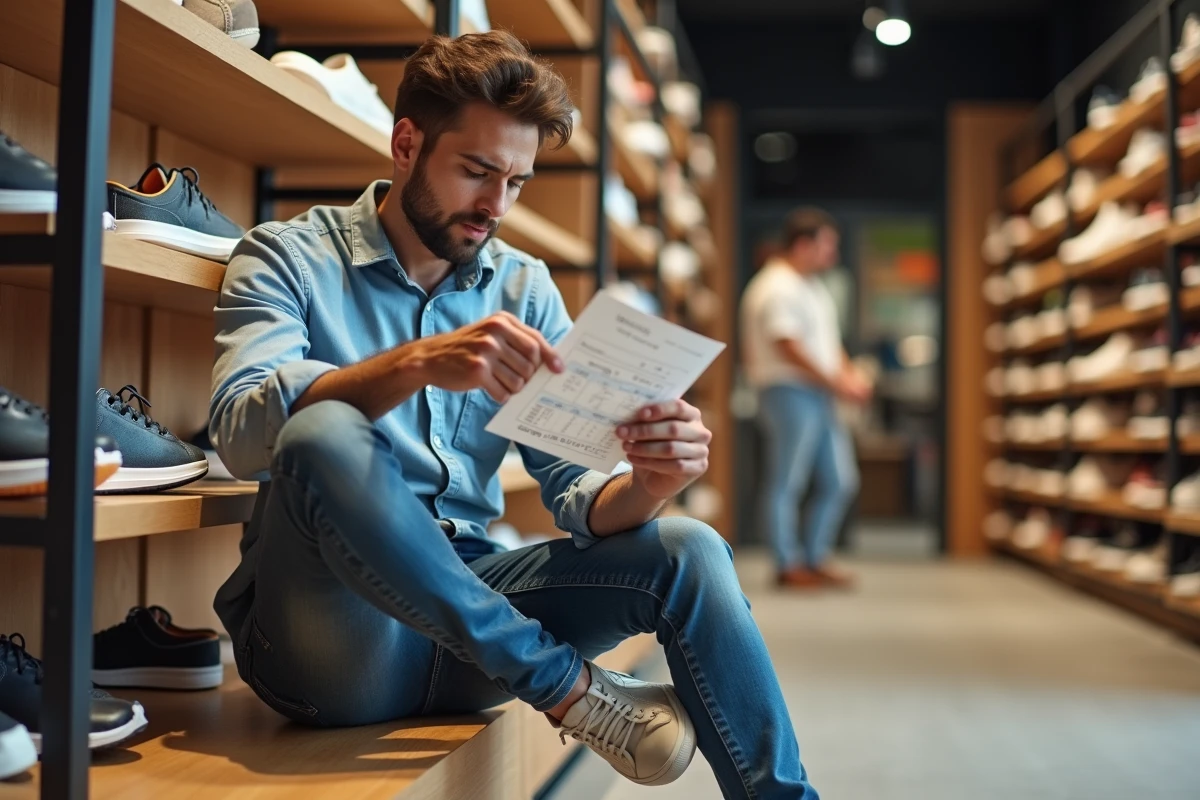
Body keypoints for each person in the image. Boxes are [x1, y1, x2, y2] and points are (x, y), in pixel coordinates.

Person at [209, 31, 817, 799]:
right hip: (333, 648)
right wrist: (415, 363)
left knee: (690, 547)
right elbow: (237, 434)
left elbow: (576, 488)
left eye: (519, 183)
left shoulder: (524, 287)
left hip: (476, 633)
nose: (496, 206)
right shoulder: (286, 256)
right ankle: (570, 690)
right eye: (476, 172)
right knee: (322, 431)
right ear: (405, 144)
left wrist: (651, 483)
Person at [740, 209, 871, 590]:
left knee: (840, 480)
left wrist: (847, 378)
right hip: (789, 392)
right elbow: (787, 345)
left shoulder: (811, 286)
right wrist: (836, 381)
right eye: (826, 246)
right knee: (787, 481)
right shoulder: (776, 286)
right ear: (803, 245)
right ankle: (787, 563)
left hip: (819, 393)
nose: (832, 254)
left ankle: (814, 557)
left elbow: (827, 345)